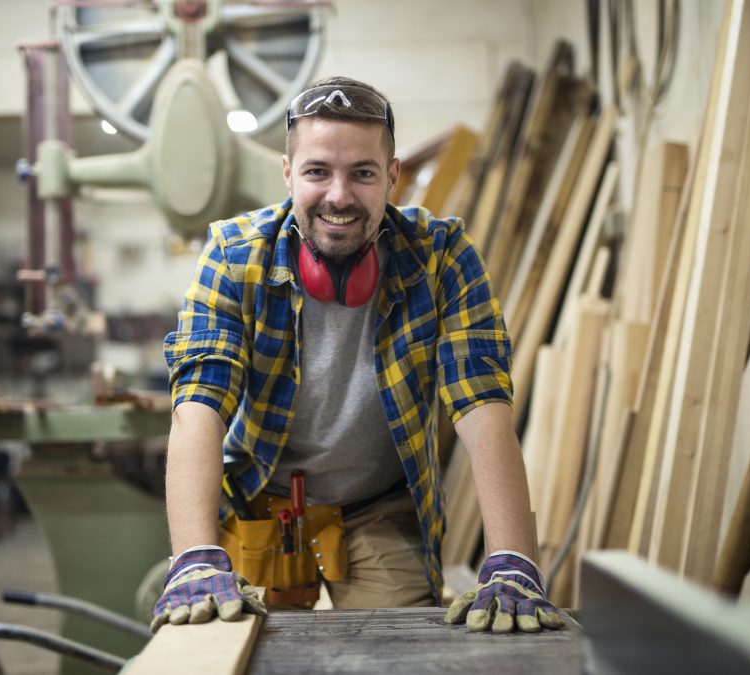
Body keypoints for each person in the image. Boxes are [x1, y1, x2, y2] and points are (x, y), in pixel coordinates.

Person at [151, 76, 564, 635]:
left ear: (392, 177)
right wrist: (195, 556)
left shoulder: (442, 259)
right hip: (263, 507)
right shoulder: (232, 256)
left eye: (362, 173)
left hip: (380, 507)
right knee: (241, 650)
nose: (339, 196)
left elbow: (482, 406)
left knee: (399, 650)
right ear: (288, 174)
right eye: (318, 171)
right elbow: (199, 403)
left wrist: (514, 559)